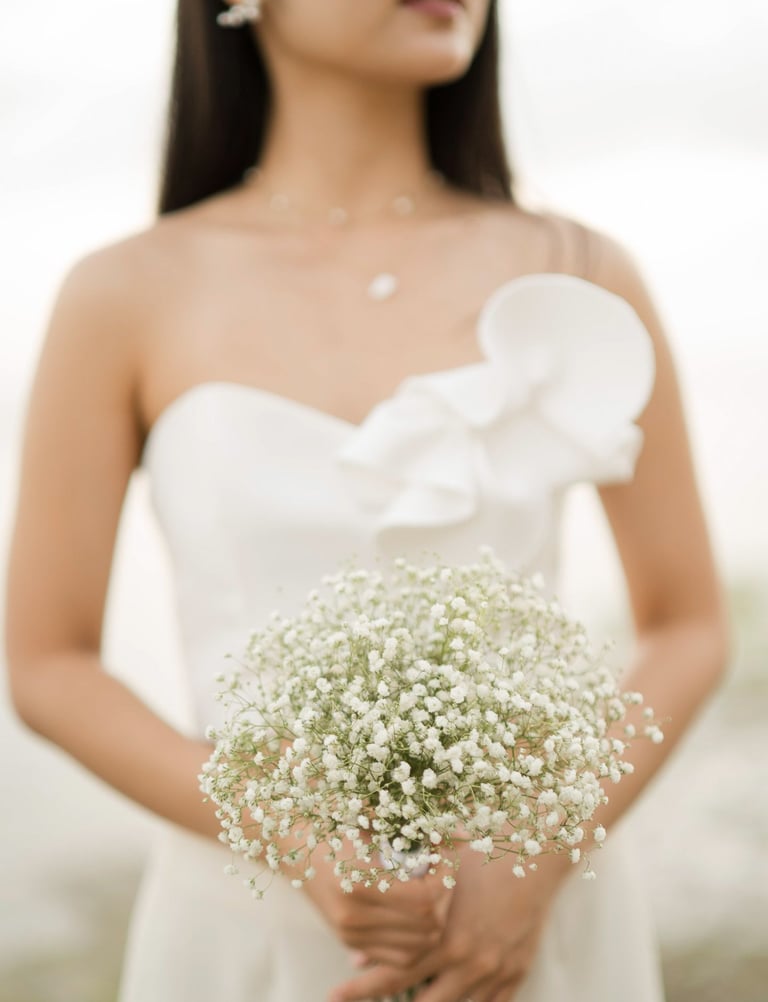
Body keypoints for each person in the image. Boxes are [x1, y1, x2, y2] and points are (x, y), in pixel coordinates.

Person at [4, 1, 729, 1000]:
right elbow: (49, 663)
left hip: (530, 921)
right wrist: (283, 830)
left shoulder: (577, 273)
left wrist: (540, 848)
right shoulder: (123, 291)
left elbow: (688, 623)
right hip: (244, 924)